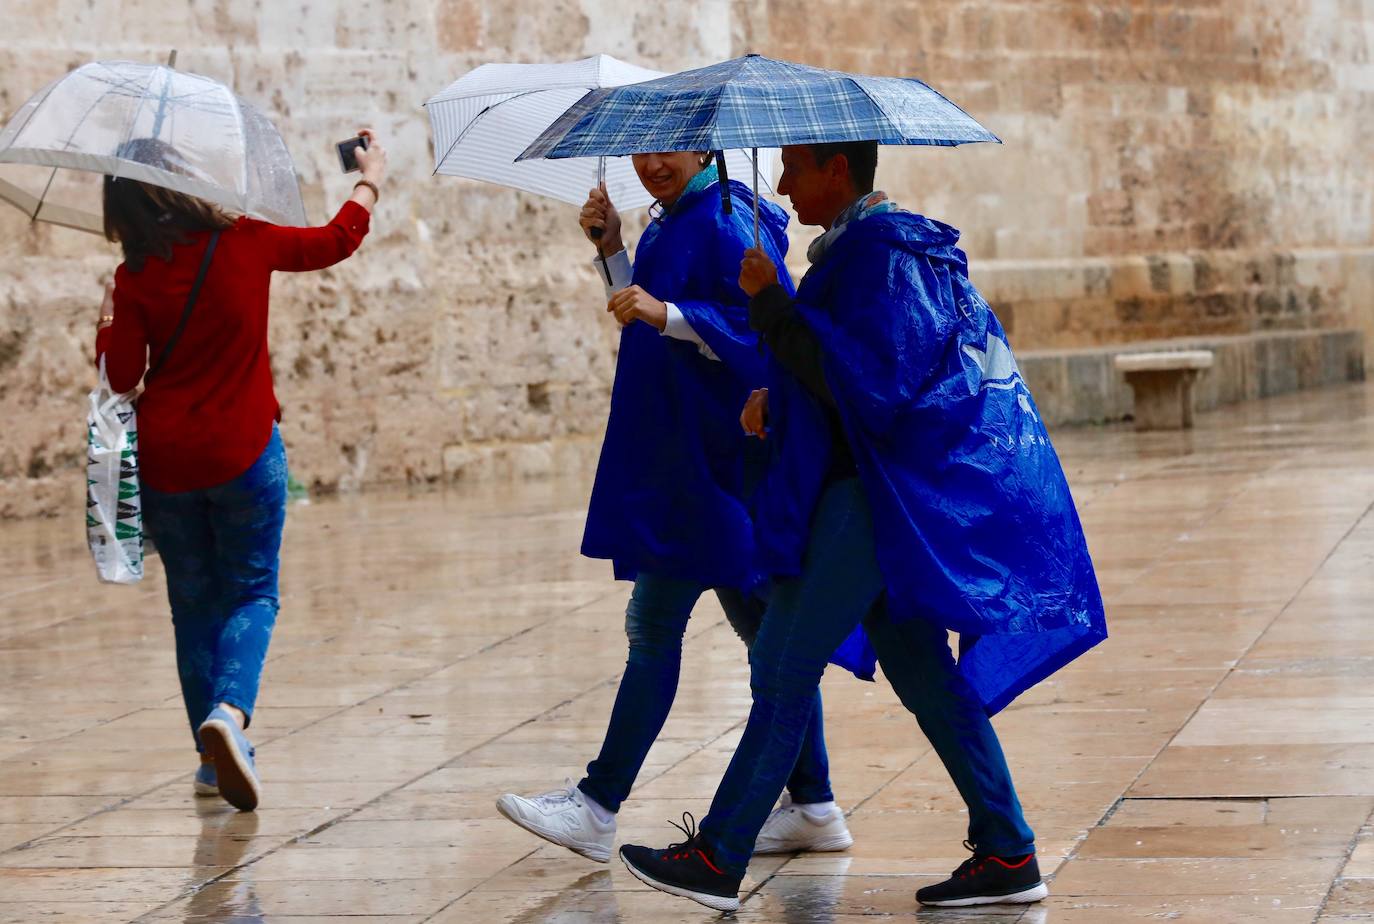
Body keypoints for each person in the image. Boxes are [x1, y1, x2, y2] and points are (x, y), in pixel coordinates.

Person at [618, 141, 1107, 912]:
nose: (780, 184)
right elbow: (867, 369)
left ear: (836, 172)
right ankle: (1009, 852)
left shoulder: (884, 255)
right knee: (923, 676)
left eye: (795, 169)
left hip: (874, 499)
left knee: (781, 665)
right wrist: (778, 393)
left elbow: (875, 387)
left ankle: (718, 855)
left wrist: (770, 305)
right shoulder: (865, 253)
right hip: (884, 493)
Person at [495, 152, 863, 863]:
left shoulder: (728, 222)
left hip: (714, 466)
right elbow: (647, 312)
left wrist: (670, 315)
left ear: (705, 146)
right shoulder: (673, 223)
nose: (652, 163)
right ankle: (814, 804)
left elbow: (767, 331)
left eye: (669, 147)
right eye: (643, 149)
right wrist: (612, 255)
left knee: (658, 626)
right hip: (681, 460)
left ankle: (598, 805)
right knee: (769, 644)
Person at [94, 130, 388, 812]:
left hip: (168, 465)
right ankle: (229, 714)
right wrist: (369, 179)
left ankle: (208, 761)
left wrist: (108, 324)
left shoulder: (134, 276)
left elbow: (119, 377)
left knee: (192, 604)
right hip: (245, 451)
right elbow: (335, 240)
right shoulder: (246, 241)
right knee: (253, 594)